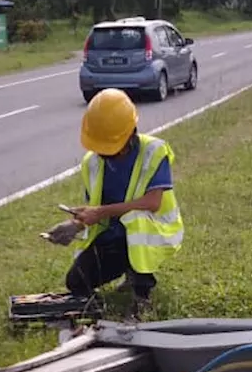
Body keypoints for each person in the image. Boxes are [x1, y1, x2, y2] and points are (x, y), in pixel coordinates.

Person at [66, 89, 185, 316]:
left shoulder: (153, 151)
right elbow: (97, 208)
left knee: (136, 219)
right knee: (75, 281)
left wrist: (100, 212)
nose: (104, 155)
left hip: (153, 234)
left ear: (130, 134)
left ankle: (142, 292)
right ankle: (100, 306)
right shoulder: (91, 163)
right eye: (101, 150)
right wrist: (76, 224)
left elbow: (152, 202)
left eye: (110, 150)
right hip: (114, 239)